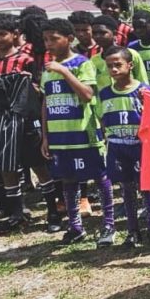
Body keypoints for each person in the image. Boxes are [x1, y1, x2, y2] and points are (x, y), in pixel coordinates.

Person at [0, 13, 62, 235]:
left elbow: (39, 90)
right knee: (8, 168)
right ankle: (17, 214)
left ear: (14, 35)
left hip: (25, 121)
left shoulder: (26, 59)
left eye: (1, 34)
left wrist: (24, 85)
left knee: (39, 166)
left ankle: (53, 212)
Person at [40, 18, 113, 246]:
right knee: (67, 180)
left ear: (69, 39)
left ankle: (108, 224)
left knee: (100, 178)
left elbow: (87, 95)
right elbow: (45, 102)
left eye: (54, 39)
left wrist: (63, 71)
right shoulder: (47, 69)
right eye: (45, 40)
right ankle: (75, 226)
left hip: (85, 134)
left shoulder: (82, 63)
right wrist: (45, 136)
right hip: (60, 138)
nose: (49, 44)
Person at [95, 46, 150, 248]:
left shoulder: (145, 91)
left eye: (118, 65)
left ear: (130, 65)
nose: (114, 69)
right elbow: (102, 118)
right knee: (126, 187)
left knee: (146, 186)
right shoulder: (106, 93)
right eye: (110, 66)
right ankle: (133, 231)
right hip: (117, 146)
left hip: (140, 145)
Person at [90, 15, 149, 89]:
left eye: (102, 33)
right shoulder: (93, 60)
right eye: (94, 33)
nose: (97, 36)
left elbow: (143, 82)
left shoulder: (131, 54)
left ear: (114, 33)